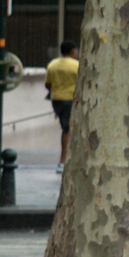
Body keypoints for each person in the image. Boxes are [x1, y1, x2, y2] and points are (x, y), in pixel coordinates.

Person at [44, 42, 80, 172]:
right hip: (71, 99)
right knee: (68, 129)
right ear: (72, 51)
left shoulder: (52, 65)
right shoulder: (77, 65)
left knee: (66, 127)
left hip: (57, 100)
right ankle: (63, 161)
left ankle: (65, 160)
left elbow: (48, 84)